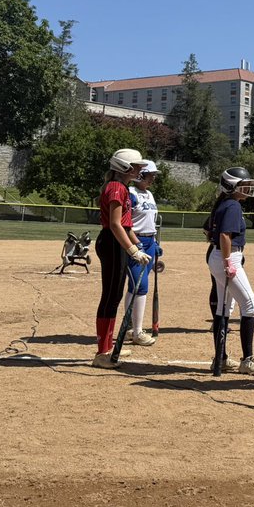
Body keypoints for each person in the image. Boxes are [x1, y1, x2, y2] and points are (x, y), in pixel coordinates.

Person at [92, 148, 152, 368]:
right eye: (136, 166)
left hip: (117, 242)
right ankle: (102, 352)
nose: (139, 170)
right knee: (110, 297)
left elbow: (126, 226)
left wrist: (138, 245)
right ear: (124, 167)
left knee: (115, 296)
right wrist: (133, 250)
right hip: (112, 243)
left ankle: (108, 347)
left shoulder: (122, 187)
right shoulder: (116, 187)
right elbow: (116, 225)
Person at [206, 166, 254, 376]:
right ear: (231, 186)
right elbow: (225, 235)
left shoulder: (225, 203)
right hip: (227, 256)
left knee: (223, 310)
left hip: (221, 256)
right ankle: (247, 361)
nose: (248, 188)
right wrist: (228, 262)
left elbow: (210, 232)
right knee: (250, 305)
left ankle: (220, 358)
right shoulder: (232, 205)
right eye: (244, 185)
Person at [122, 161, 163, 347]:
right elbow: (125, 224)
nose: (153, 178)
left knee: (135, 287)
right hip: (135, 241)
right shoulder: (131, 193)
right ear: (140, 175)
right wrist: (136, 245)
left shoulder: (149, 194)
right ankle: (137, 332)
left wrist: (154, 243)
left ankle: (130, 328)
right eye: (150, 175)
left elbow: (150, 221)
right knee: (141, 286)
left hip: (149, 242)